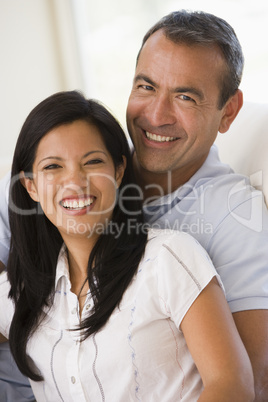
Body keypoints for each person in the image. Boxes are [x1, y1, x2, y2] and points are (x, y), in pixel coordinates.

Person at [0, 90, 254, 401]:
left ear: (118, 171)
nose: (75, 182)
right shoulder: (22, 290)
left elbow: (233, 384)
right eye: (53, 167)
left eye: (92, 162)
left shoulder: (168, 258)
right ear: (31, 187)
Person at [126, 9, 268, 401]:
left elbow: (252, 383)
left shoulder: (235, 215)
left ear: (229, 112)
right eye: (146, 86)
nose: (156, 115)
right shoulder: (83, 163)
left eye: (185, 96)